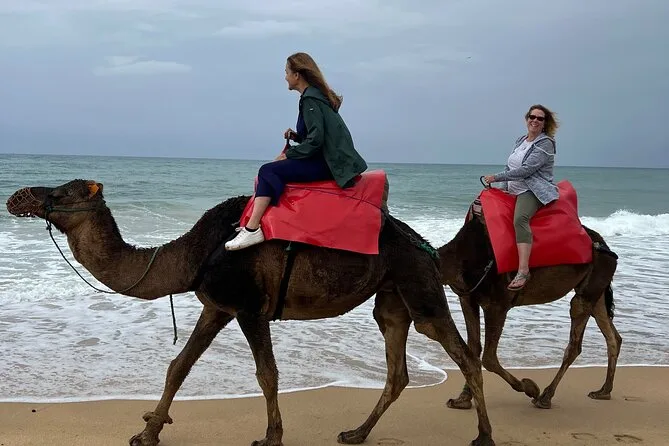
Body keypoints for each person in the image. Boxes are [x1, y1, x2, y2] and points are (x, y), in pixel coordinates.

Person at [225, 52, 368, 251]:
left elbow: (316, 140)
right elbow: (318, 136)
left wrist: (288, 155)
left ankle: (252, 228)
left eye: (286, 72)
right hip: (328, 159)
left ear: (297, 75)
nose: (285, 77)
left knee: (268, 170)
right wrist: (297, 137)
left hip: (328, 163)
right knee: (273, 168)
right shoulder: (316, 97)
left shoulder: (310, 99)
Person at [483, 104, 560, 290]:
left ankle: (523, 270)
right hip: (513, 188)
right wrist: (502, 188)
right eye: (532, 117)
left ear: (545, 123)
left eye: (540, 118)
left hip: (532, 190)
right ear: (527, 119)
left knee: (520, 219)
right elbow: (510, 166)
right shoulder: (520, 140)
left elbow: (526, 170)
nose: (535, 120)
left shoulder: (546, 143)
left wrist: (496, 178)